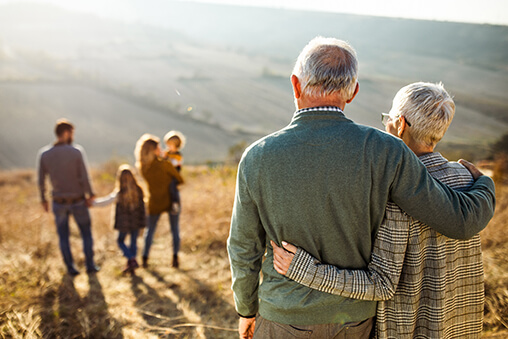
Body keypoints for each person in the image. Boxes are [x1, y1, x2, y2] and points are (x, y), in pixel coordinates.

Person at [227, 36, 495, 339]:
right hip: (354, 321)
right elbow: (457, 220)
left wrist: (246, 309)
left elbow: (243, 247)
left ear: (295, 84)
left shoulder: (257, 156)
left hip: (282, 316)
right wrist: (484, 183)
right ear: (352, 92)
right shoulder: (386, 150)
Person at [272, 82, 486, 338]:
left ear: (400, 124)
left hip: (408, 330)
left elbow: (382, 284)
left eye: (388, 119)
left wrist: (306, 271)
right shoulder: (468, 178)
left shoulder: (394, 191)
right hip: (461, 327)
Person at [37, 118, 99, 276]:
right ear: (66, 133)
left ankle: (71, 268)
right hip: (78, 200)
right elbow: (84, 176)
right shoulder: (76, 151)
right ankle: (90, 265)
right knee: (86, 233)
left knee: (63, 236)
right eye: (72, 133)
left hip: (58, 202)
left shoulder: (45, 154)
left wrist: (43, 199)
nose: (73, 136)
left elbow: (41, 179)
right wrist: (90, 194)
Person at [135, 134, 184, 269]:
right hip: (171, 199)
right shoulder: (165, 165)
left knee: (149, 230)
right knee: (175, 229)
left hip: (154, 200)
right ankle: (175, 258)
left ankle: (144, 258)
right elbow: (180, 179)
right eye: (158, 147)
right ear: (154, 150)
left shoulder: (143, 168)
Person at [93, 165, 146, 274]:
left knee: (120, 241)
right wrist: (143, 221)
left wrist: (92, 203)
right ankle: (131, 263)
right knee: (133, 242)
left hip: (124, 223)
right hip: (136, 222)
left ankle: (131, 259)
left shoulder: (120, 193)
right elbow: (143, 207)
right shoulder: (139, 190)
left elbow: (106, 201)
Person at [162, 130, 186, 215]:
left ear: (176, 145)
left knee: (172, 186)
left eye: (170, 145)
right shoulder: (167, 153)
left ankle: (175, 203)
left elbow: (173, 164)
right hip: (166, 175)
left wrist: (166, 159)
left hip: (174, 176)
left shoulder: (178, 156)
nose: (168, 147)